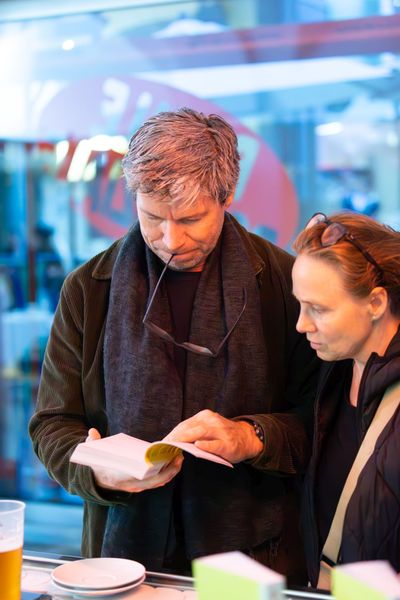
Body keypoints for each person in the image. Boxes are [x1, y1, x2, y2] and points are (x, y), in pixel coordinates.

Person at [29, 107, 318, 581]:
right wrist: (96, 473)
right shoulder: (89, 288)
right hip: (119, 553)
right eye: (152, 217)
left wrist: (251, 437)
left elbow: (321, 420)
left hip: (256, 555)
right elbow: (52, 423)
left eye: (190, 219)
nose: (170, 239)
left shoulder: (283, 284)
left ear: (227, 197)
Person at [292, 211, 400, 588]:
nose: (301, 324)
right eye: (300, 305)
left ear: (376, 303)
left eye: (319, 309)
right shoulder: (334, 367)